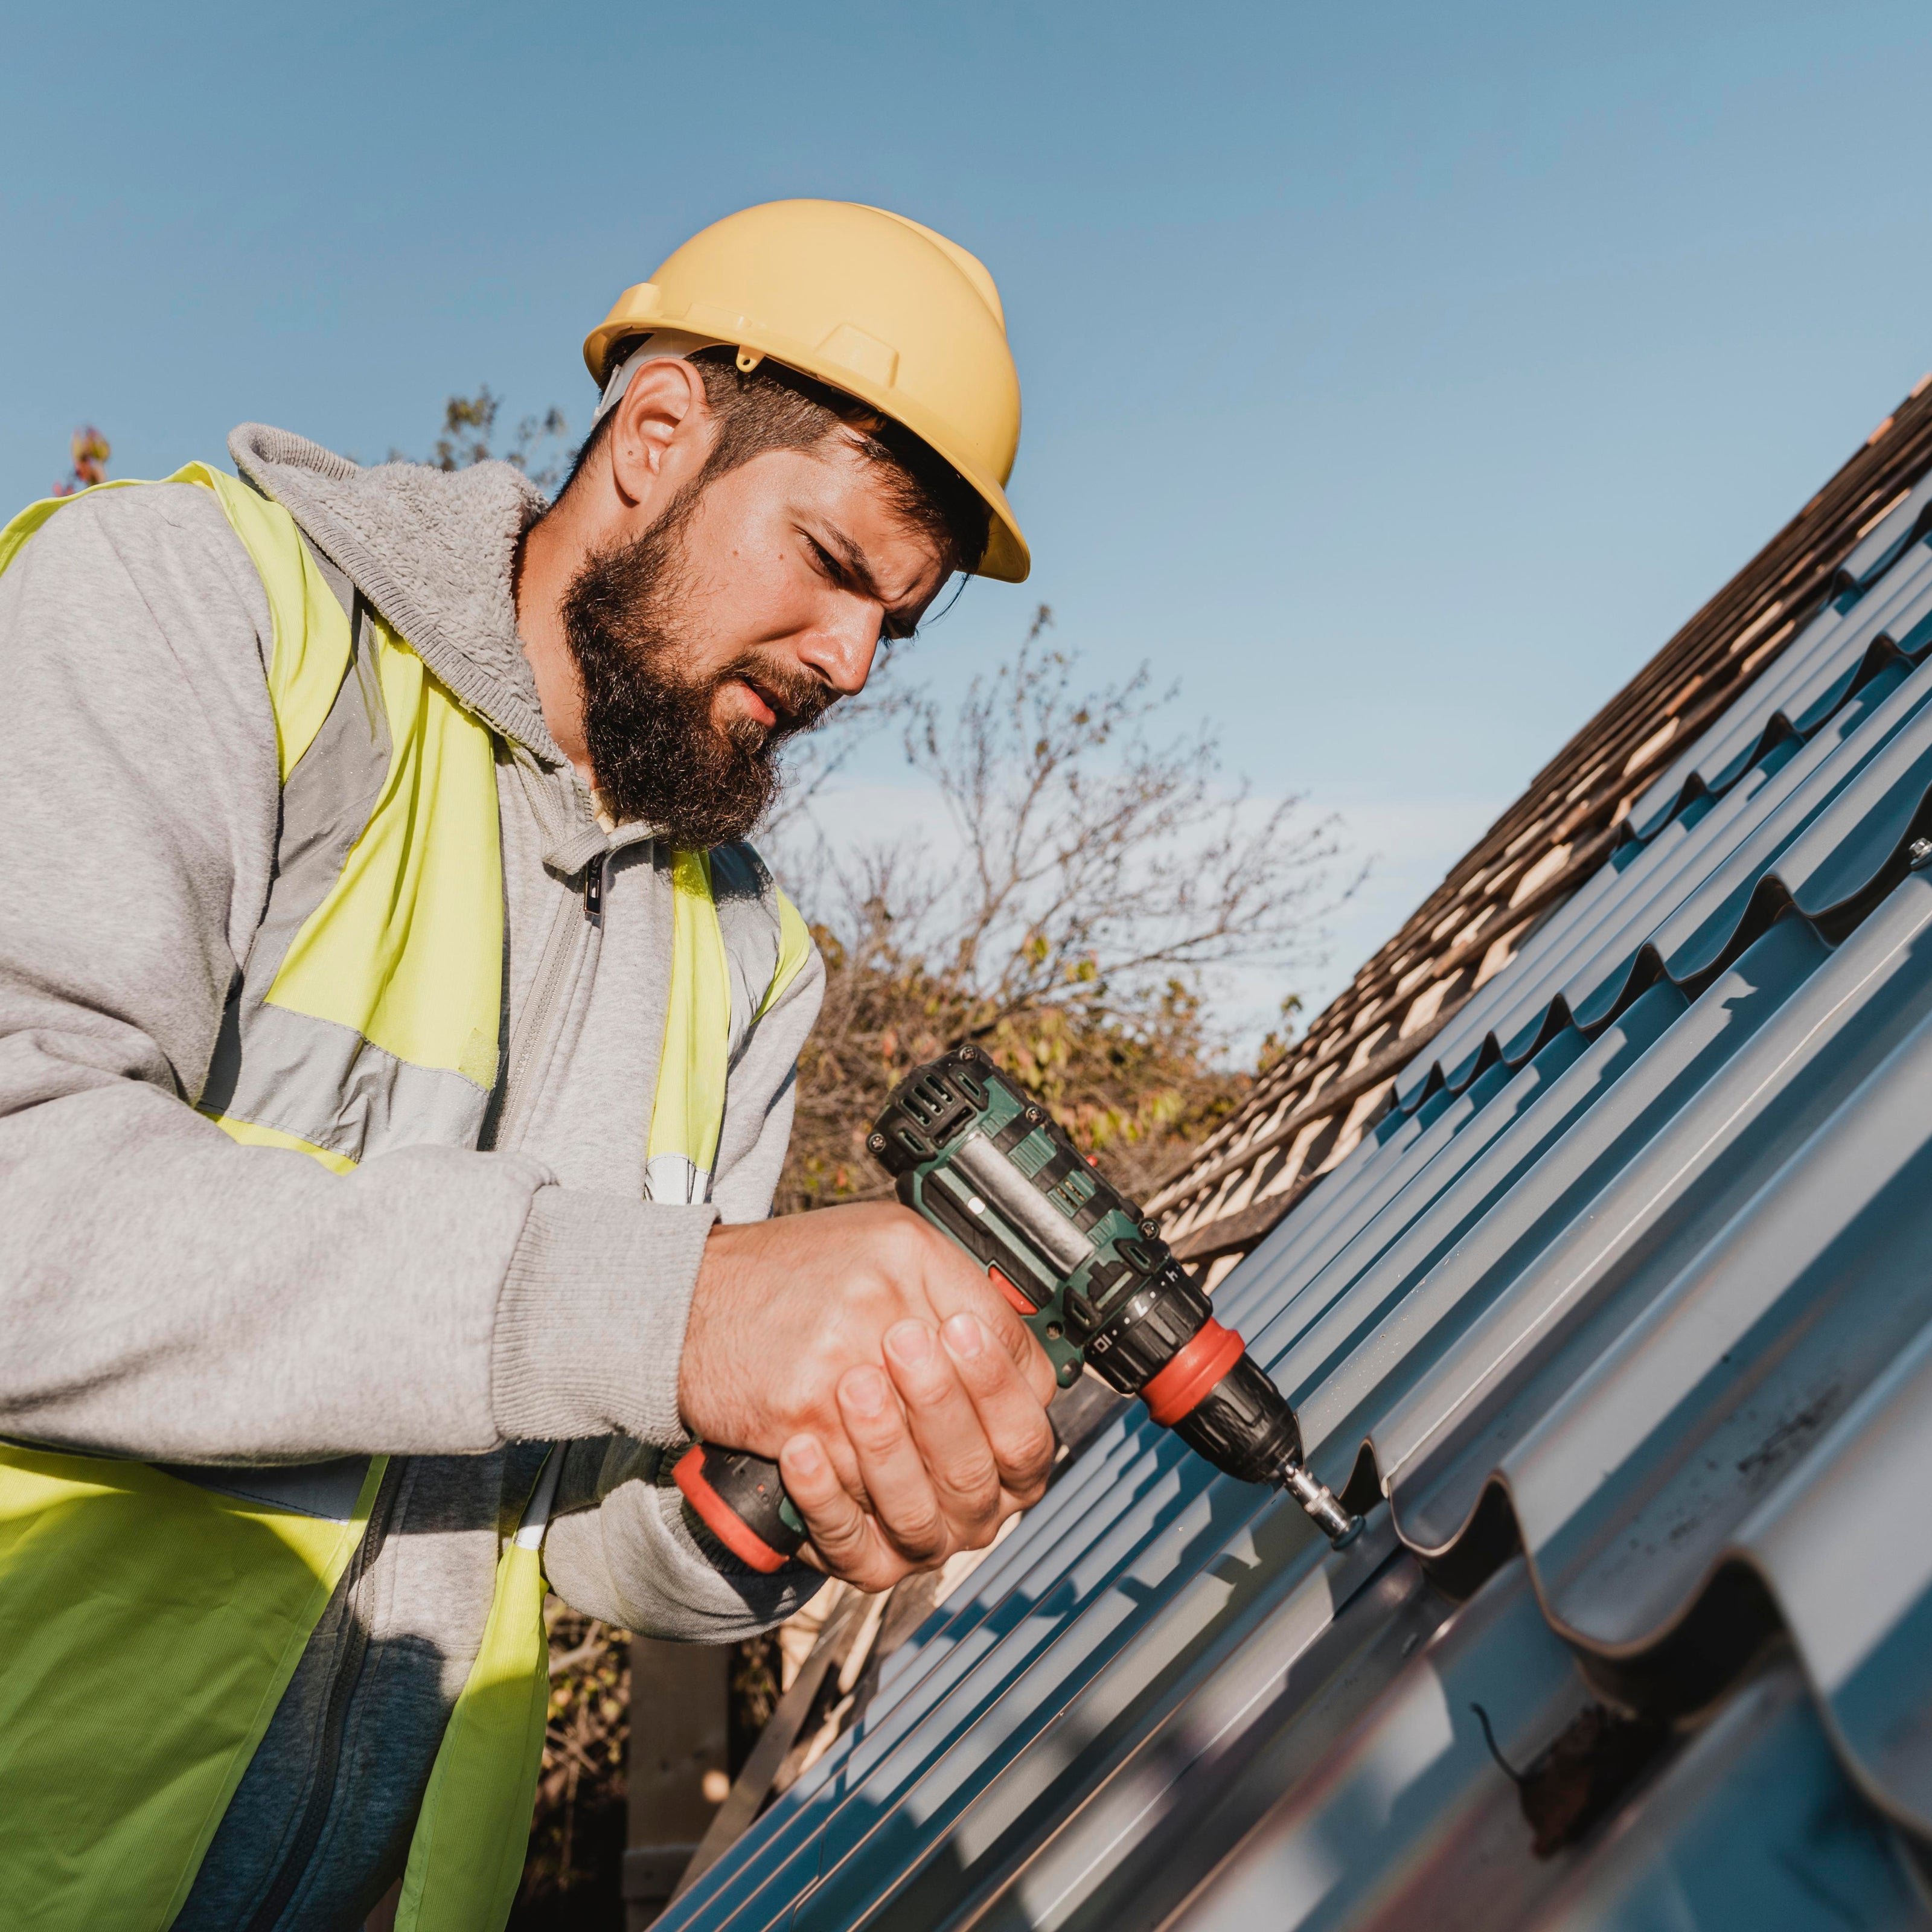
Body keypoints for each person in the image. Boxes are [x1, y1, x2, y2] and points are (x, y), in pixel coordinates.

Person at [0, 199, 1053, 1931]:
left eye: (899, 624)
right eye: (833, 564)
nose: (855, 662)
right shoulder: (207, 616)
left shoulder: (746, 953)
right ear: (657, 438)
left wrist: (791, 1484)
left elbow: (578, 1530)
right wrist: (673, 1307)